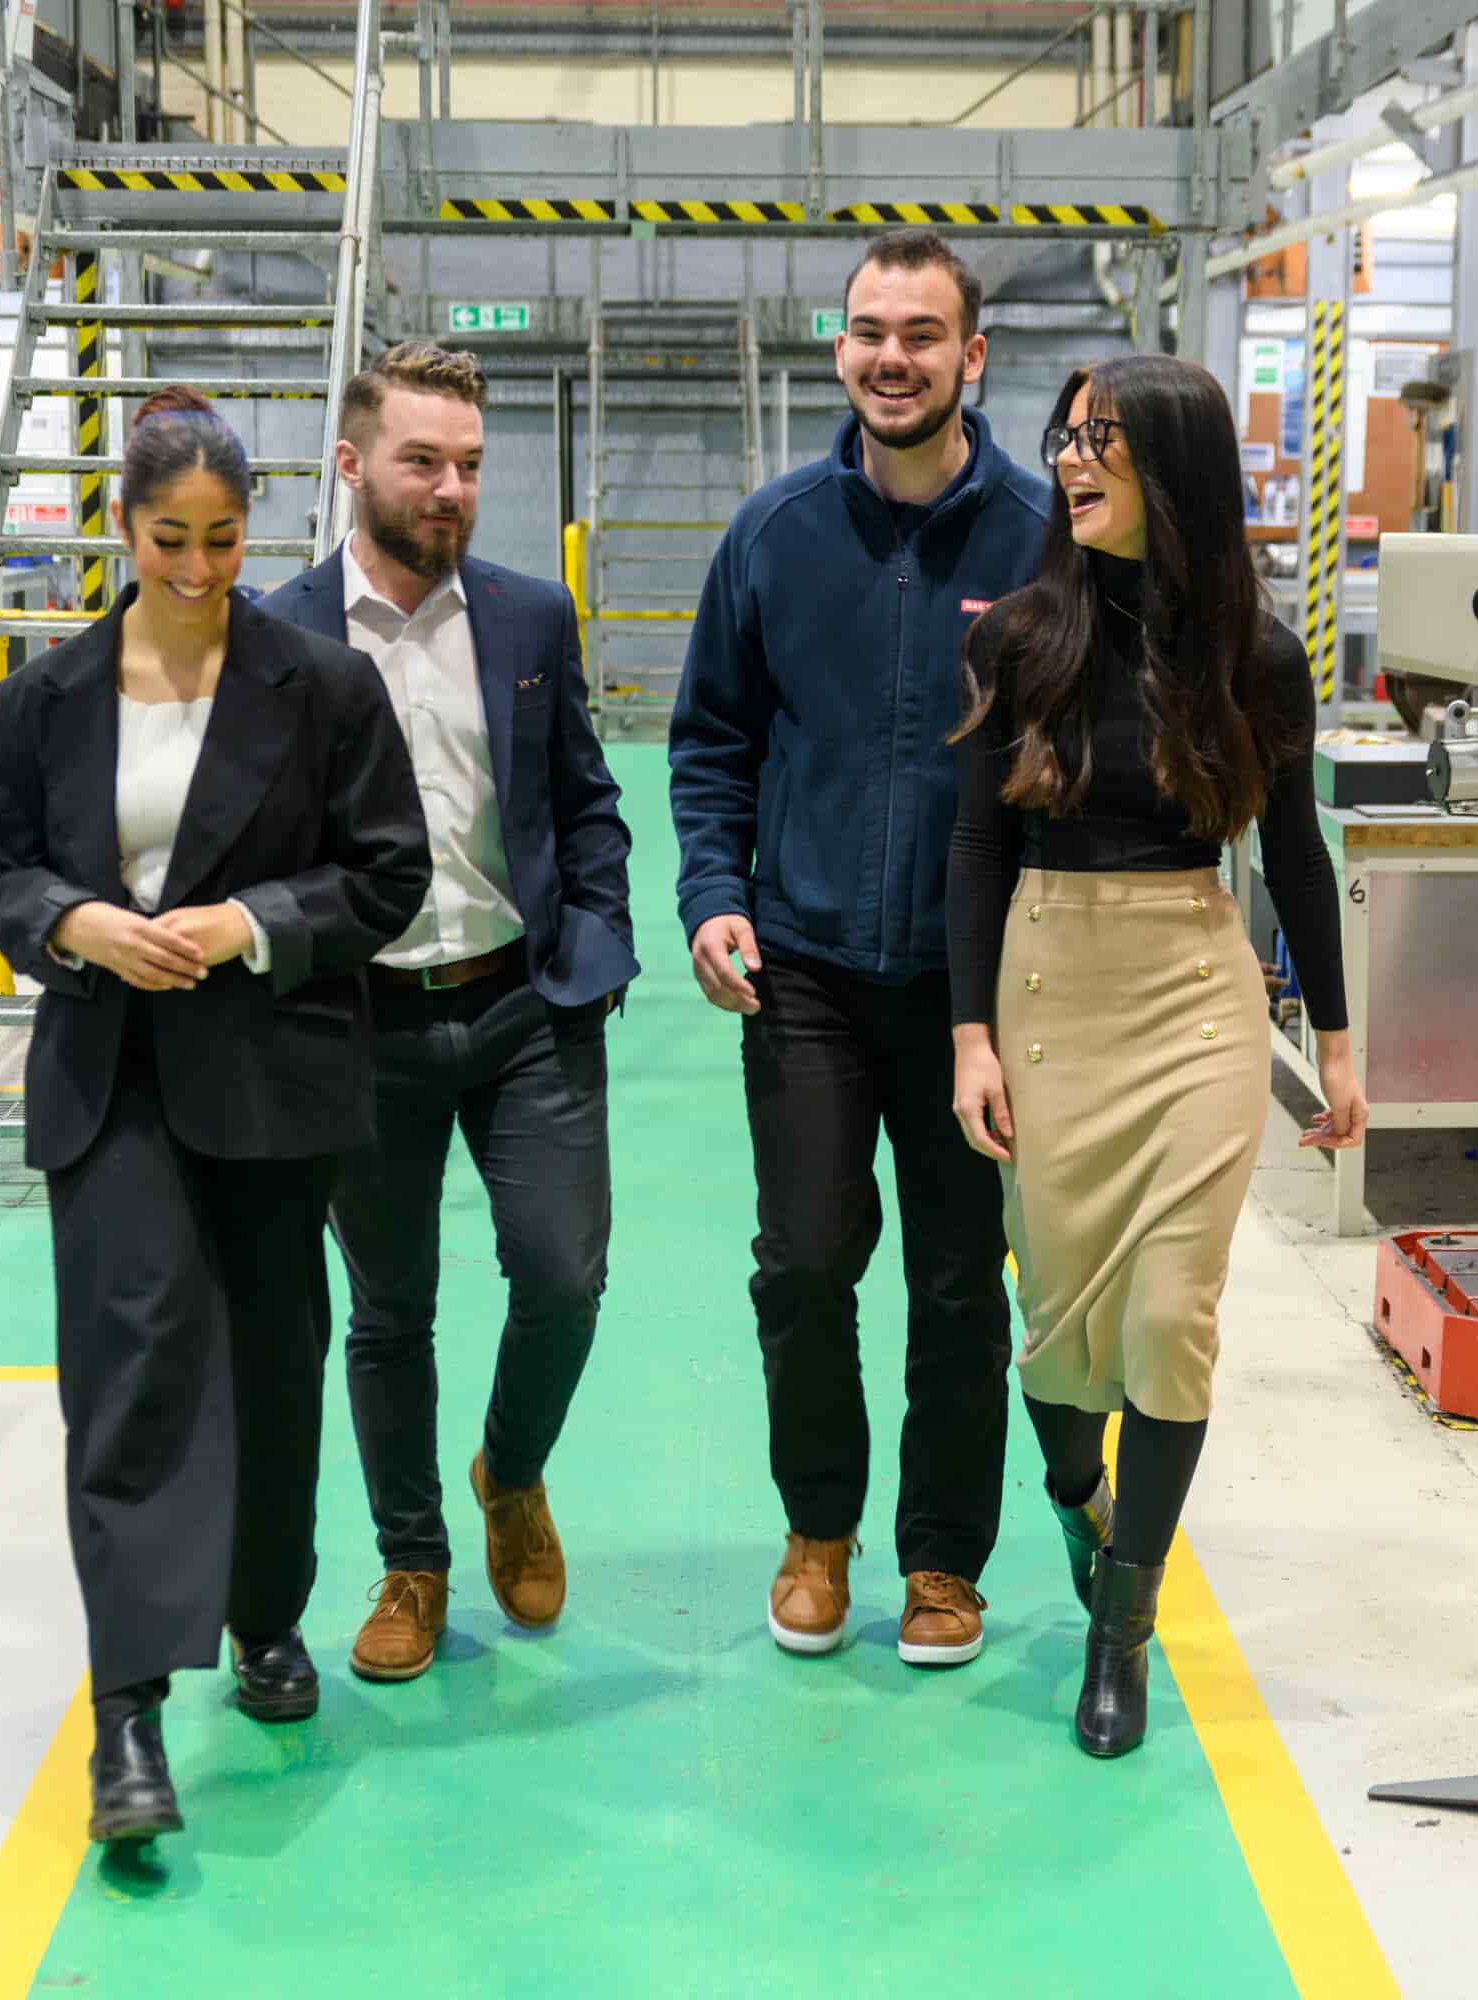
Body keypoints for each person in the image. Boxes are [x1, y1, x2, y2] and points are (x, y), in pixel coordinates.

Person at [0, 384, 430, 1842]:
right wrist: (79, 926)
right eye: (171, 539)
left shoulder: (320, 686)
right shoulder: (46, 697)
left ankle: (264, 1617)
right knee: (133, 1373)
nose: (198, 569)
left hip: (273, 1078)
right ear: (123, 526)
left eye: (224, 541)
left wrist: (245, 925)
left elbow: (386, 877)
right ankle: (129, 1720)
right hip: (113, 1086)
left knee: (277, 1365)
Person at [947, 353, 1368, 1758]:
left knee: (1172, 1320)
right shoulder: (1019, 636)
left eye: (1106, 442)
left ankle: (1121, 1634)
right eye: (1069, 437)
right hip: (1051, 977)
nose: (1073, 462)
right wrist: (968, 1038)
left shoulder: (1256, 656)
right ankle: (1084, 1511)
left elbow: (1295, 856)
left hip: (1198, 988)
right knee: (1064, 1352)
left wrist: (1341, 1041)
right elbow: (974, 847)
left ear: (1171, 468)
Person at [668, 229, 1050, 1666]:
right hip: (810, 968)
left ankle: (944, 1562)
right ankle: (818, 1532)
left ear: (971, 358)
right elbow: (711, 738)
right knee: (807, 1263)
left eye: (923, 334)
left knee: (959, 1279)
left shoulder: (1037, 540)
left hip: (981, 986)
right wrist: (717, 891)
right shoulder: (776, 536)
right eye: (869, 331)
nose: (894, 357)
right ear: (840, 349)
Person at [265, 344, 637, 1684]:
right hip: (360, 1025)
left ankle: (511, 1470)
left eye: (471, 466)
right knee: (390, 1309)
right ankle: (411, 1564)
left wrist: (598, 943)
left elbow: (584, 799)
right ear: (353, 464)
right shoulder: (284, 635)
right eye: (423, 461)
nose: (451, 489)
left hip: (523, 1005)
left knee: (564, 1275)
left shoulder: (529, 619)